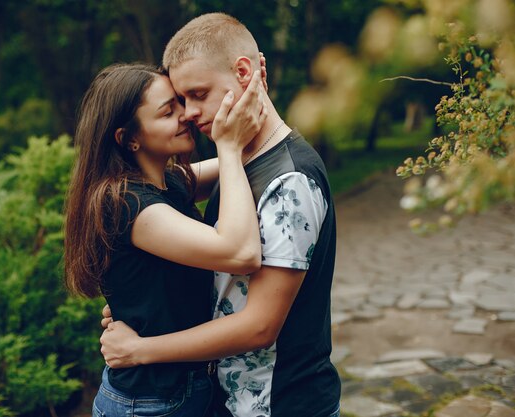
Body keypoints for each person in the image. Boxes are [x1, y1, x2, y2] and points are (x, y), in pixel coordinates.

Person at [99, 13, 341, 417]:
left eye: (197, 94)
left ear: (244, 72)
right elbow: (161, 193)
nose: (189, 113)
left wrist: (141, 349)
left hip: (280, 403)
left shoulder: (289, 183)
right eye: (179, 101)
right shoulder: (239, 163)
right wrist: (135, 302)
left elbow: (260, 326)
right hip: (231, 400)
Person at [64, 63, 268, 416]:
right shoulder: (127, 204)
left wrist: (253, 90)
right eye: (167, 111)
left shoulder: (168, 182)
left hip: (181, 394)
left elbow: (261, 153)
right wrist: (229, 148)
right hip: (148, 404)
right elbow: (242, 252)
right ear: (128, 138)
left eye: (181, 103)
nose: (186, 116)